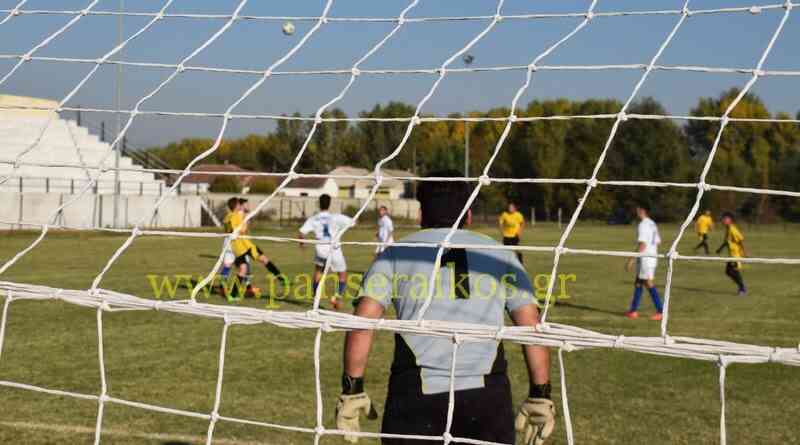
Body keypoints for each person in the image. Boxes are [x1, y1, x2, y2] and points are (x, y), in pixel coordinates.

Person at [336, 170, 554, 445]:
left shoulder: (396, 253)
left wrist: (352, 388)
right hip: (486, 396)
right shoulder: (500, 253)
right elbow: (530, 324)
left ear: (420, 215)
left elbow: (363, 322)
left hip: (415, 395)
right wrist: (541, 393)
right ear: (469, 215)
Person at [222, 197, 288, 299]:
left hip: (239, 247)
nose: (241, 206)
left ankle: (232, 294)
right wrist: (245, 220)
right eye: (239, 204)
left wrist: (243, 219)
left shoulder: (227, 217)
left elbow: (230, 228)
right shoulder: (235, 216)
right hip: (244, 245)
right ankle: (282, 279)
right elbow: (240, 229)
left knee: (245, 268)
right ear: (236, 206)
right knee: (262, 261)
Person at [299, 194, 354, 310]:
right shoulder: (336, 217)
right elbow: (353, 222)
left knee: (318, 272)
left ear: (319, 204)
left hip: (321, 250)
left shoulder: (314, 218)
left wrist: (302, 243)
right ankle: (336, 297)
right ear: (330, 204)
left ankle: (316, 298)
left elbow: (302, 232)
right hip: (334, 249)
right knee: (342, 274)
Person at [625, 203, 664, 321]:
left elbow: (642, 244)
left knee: (648, 283)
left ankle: (661, 311)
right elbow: (658, 241)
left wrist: (631, 260)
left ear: (642, 210)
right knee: (638, 282)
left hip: (646, 259)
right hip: (651, 257)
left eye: (638, 209)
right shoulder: (652, 223)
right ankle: (633, 311)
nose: (636, 211)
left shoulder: (643, 225)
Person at [716, 211, 747, 296]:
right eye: (723, 219)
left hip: (735, 255)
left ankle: (742, 289)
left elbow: (741, 240)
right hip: (731, 255)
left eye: (725, 219)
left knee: (735, 272)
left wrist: (744, 252)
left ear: (730, 220)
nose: (723, 220)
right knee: (728, 272)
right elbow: (727, 242)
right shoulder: (728, 229)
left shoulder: (733, 229)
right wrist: (720, 249)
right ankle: (740, 284)